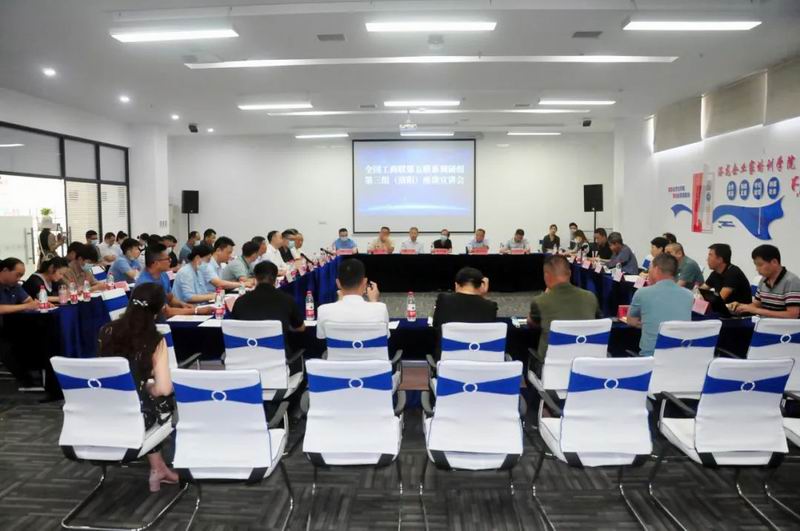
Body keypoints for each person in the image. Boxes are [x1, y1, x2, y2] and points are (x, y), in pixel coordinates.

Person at [97, 283, 179, 492]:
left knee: (143, 398)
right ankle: (168, 463)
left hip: (101, 412)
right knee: (161, 400)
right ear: (159, 310)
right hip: (136, 418)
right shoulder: (155, 340)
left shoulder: (106, 330)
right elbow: (164, 389)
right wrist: (148, 386)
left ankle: (158, 468)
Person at [527, 255, 599, 360]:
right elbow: (598, 321)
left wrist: (546, 295)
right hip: (585, 364)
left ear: (546, 276)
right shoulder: (590, 297)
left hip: (550, 366)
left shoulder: (540, 301)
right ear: (569, 273)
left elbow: (531, 323)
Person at [627, 254, 693, 357]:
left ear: (656, 269)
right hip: (680, 356)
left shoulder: (642, 293)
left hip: (651, 358)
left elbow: (631, 321)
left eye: (650, 268)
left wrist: (649, 324)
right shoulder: (689, 295)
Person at [231, 261, 306, 338]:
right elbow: (301, 328)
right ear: (275, 280)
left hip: (247, 344)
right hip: (276, 344)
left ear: (255, 279)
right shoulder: (287, 300)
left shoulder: (240, 301)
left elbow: (233, 327)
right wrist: (284, 327)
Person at [316, 258, 388, 339]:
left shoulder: (323, 310)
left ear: (338, 283)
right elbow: (385, 335)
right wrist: (374, 301)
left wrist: (340, 301)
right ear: (364, 282)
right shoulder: (380, 309)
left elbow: (321, 336)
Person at [0, 258, 42, 391]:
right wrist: (25, 306)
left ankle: (35, 373)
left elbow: (29, 301)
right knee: (6, 347)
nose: (19, 279)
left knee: (32, 337)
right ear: (5, 270)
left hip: (10, 326)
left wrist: (38, 304)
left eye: (21, 276)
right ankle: (26, 379)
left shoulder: (15, 286)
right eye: (17, 275)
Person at [135, 243, 209, 318]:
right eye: (167, 259)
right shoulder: (145, 284)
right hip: (150, 322)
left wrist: (182, 304)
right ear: (156, 263)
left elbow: (170, 298)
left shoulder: (163, 275)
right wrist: (196, 311)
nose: (170, 261)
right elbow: (166, 312)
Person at [732, 245, 800, 319]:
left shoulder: (791, 281)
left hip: (782, 325)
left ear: (774, 262)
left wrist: (757, 310)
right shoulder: (763, 280)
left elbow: (792, 315)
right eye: (756, 265)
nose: (757, 269)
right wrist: (740, 306)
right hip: (764, 323)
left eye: (760, 265)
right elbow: (755, 305)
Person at [432, 267, 498, 329]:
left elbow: (435, 325)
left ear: (456, 285)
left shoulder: (443, 300)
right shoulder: (491, 306)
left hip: (448, 338)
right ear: (480, 286)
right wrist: (482, 295)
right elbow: (487, 331)